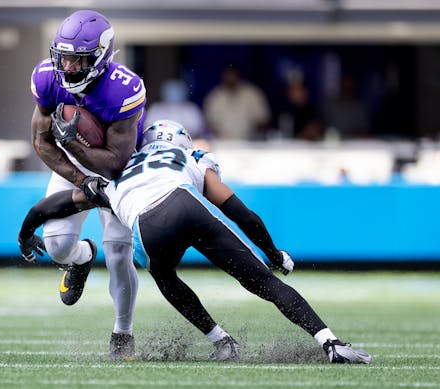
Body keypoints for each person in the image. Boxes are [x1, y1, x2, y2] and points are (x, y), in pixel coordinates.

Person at [19, 119, 372, 364]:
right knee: (262, 281)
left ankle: (221, 341)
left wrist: (25, 232)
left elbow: (52, 205)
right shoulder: (191, 158)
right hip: (187, 204)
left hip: (148, 225)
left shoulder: (115, 174)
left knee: (165, 277)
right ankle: (330, 342)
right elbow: (240, 212)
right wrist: (272, 253)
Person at [23, 9, 147, 361]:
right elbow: (42, 142)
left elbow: (117, 161)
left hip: (120, 167)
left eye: (78, 61)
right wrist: (80, 180)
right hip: (75, 165)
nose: (68, 67)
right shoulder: (48, 78)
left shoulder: (124, 88)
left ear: (101, 58)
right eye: (63, 58)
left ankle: (122, 334)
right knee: (58, 245)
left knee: (120, 253)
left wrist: (75, 142)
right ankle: (82, 258)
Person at [203, 66, 271, 141]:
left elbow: (263, 121)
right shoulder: (215, 97)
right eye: (228, 75)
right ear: (223, 76)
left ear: (238, 75)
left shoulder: (252, 94)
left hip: (250, 144)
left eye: (233, 75)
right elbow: (209, 125)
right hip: (222, 145)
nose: (231, 78)